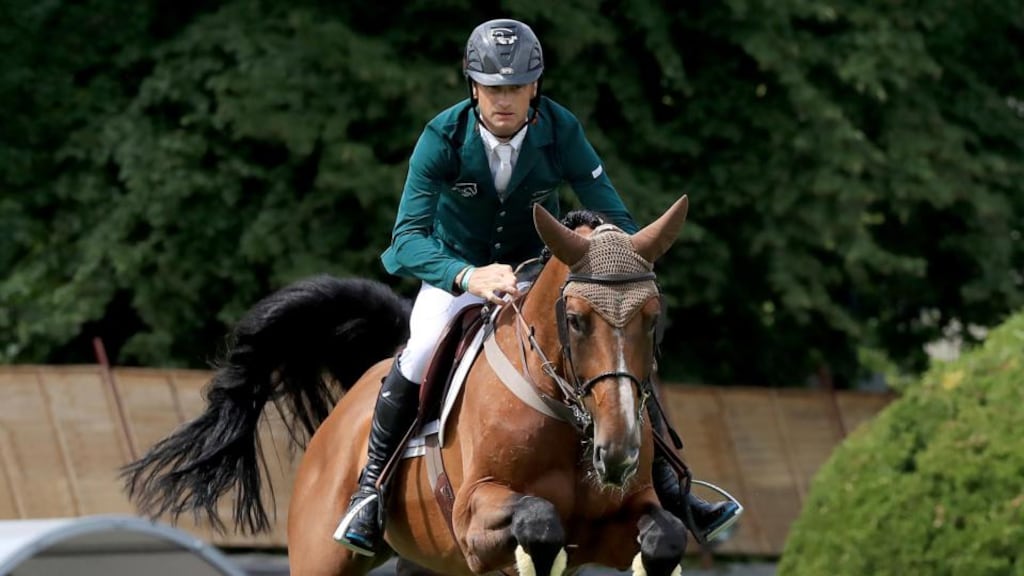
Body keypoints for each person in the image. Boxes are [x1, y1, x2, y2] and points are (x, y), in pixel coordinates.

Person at [333, 18, 741, 556]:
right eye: (493, 88)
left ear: (534, 88)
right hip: (456, 274)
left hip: (537, 273)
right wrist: (466, 275)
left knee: (615, 344)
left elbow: (614, 213)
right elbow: (406, 238)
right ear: (474, 87)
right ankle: (371, 492)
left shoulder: (559, 129)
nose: (505, 101)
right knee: (422, 348)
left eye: (517, 88)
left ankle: (670, 486)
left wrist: (607, 245)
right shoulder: (443, 136)